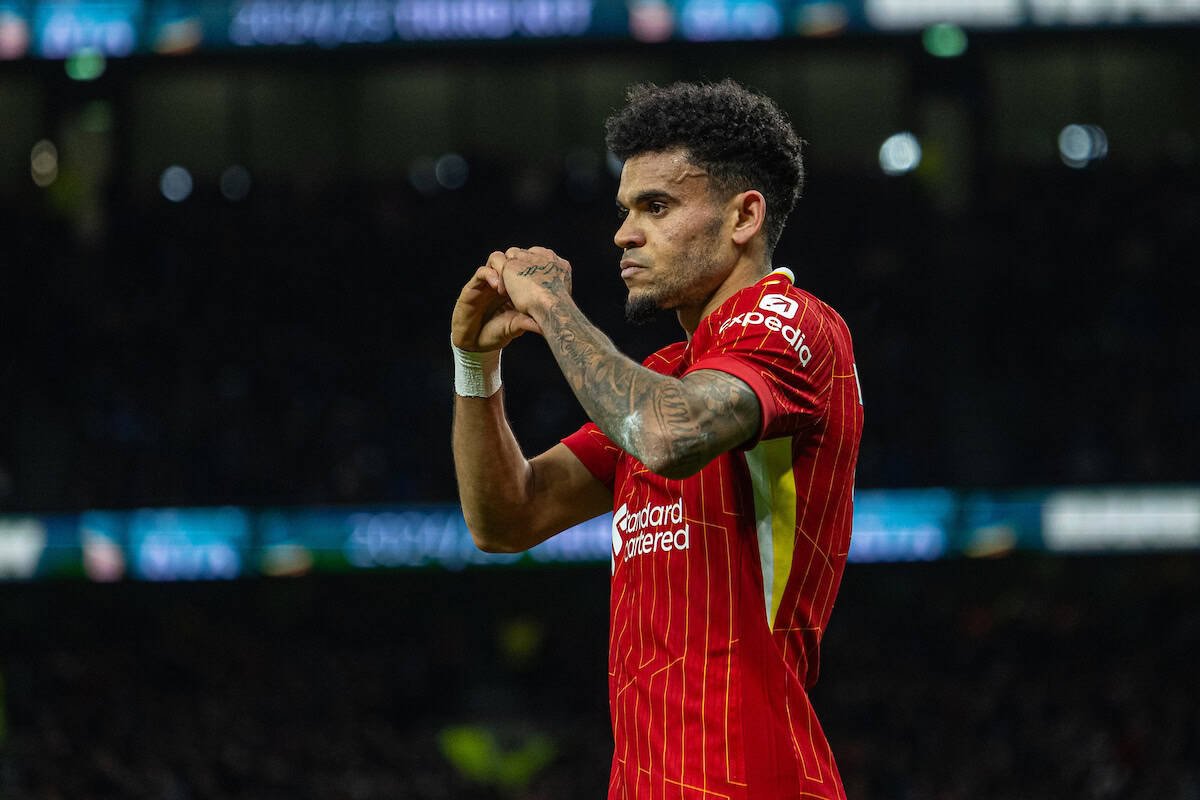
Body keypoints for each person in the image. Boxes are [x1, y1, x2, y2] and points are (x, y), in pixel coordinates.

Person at [450, 79, 863, 800]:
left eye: (657, 207)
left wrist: (550, 309)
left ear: (744, 216)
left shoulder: (792, 323)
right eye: (625, 210)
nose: (623, 233)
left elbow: (670, 432)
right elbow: (506, 517)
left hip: (749, 780)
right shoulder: (666, 374)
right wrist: (475, 367)